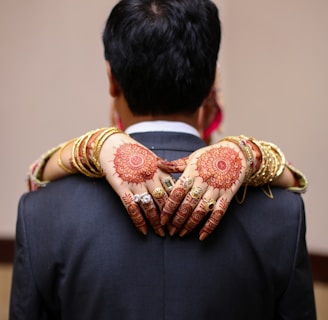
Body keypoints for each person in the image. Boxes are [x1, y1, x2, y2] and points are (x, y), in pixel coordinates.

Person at [10, 0, 316, 319]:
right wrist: (251, 152)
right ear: (212, 81)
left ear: (111, 77)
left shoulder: (42, 214)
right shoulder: (283, 214)